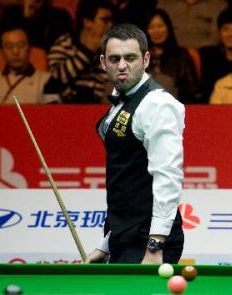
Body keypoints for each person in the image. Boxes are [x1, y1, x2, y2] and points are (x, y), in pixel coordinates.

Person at [85, 23, 184, 264]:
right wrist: (106, 244)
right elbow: (125, 179)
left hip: (147, 240)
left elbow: (167, 175)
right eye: (114, 58)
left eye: (130, 58)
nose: (121, 65)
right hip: (123, 237)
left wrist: (155, 244)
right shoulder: (120, 102)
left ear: (146, 59)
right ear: (103, 62)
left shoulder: (157, 104)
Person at [47, 0, 115, 103]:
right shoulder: (64, 45)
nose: (110, 25)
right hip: (63, 110)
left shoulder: (112, 51)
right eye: (104, 20)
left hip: (99, 110)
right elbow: (54, 83)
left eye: (111, 20)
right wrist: (87, 51)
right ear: (87, 22)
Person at [0, 21, 58, 104]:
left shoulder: (47, 80)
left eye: (21, 45)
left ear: (29, 48)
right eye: (9, 46)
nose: (15, 52)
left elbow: (52, 115)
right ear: (2, 50)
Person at [145, 9, 202, 103]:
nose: (156, 31)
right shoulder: (139, 56)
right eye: (151, 27)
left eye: (160, 26)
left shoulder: (181, 56)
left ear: (168, 28)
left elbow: (192, 91)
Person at [157, 0, 227, 48]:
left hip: (206, 53)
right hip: (171, 52)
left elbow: (216, 36)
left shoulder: (218, 4)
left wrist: (196, 52)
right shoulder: (165, 3)